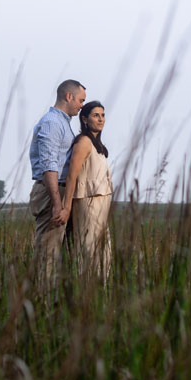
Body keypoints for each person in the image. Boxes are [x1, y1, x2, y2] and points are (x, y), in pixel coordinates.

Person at [28, 79, 86, 280]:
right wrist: (56, 203)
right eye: (80, 100)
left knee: (56, 254)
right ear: (69, 96)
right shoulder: (53, 123)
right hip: (52, 192)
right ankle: (41, 304)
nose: (81, 105)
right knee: (48, 255)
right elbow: (49, 165)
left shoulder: (62, 122)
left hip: (59, 192)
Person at [61, 101, 113, 279]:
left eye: (103, 115)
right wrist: (66, 207)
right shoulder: (83, 142)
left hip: (101, 206)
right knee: (88, 251)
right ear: (84, 119)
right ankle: (85, 292)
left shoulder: (98, 145)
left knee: (103, 254)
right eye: (95, 115)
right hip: (87, 204)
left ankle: (100, 294)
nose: (100, 119)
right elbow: (71, 176)